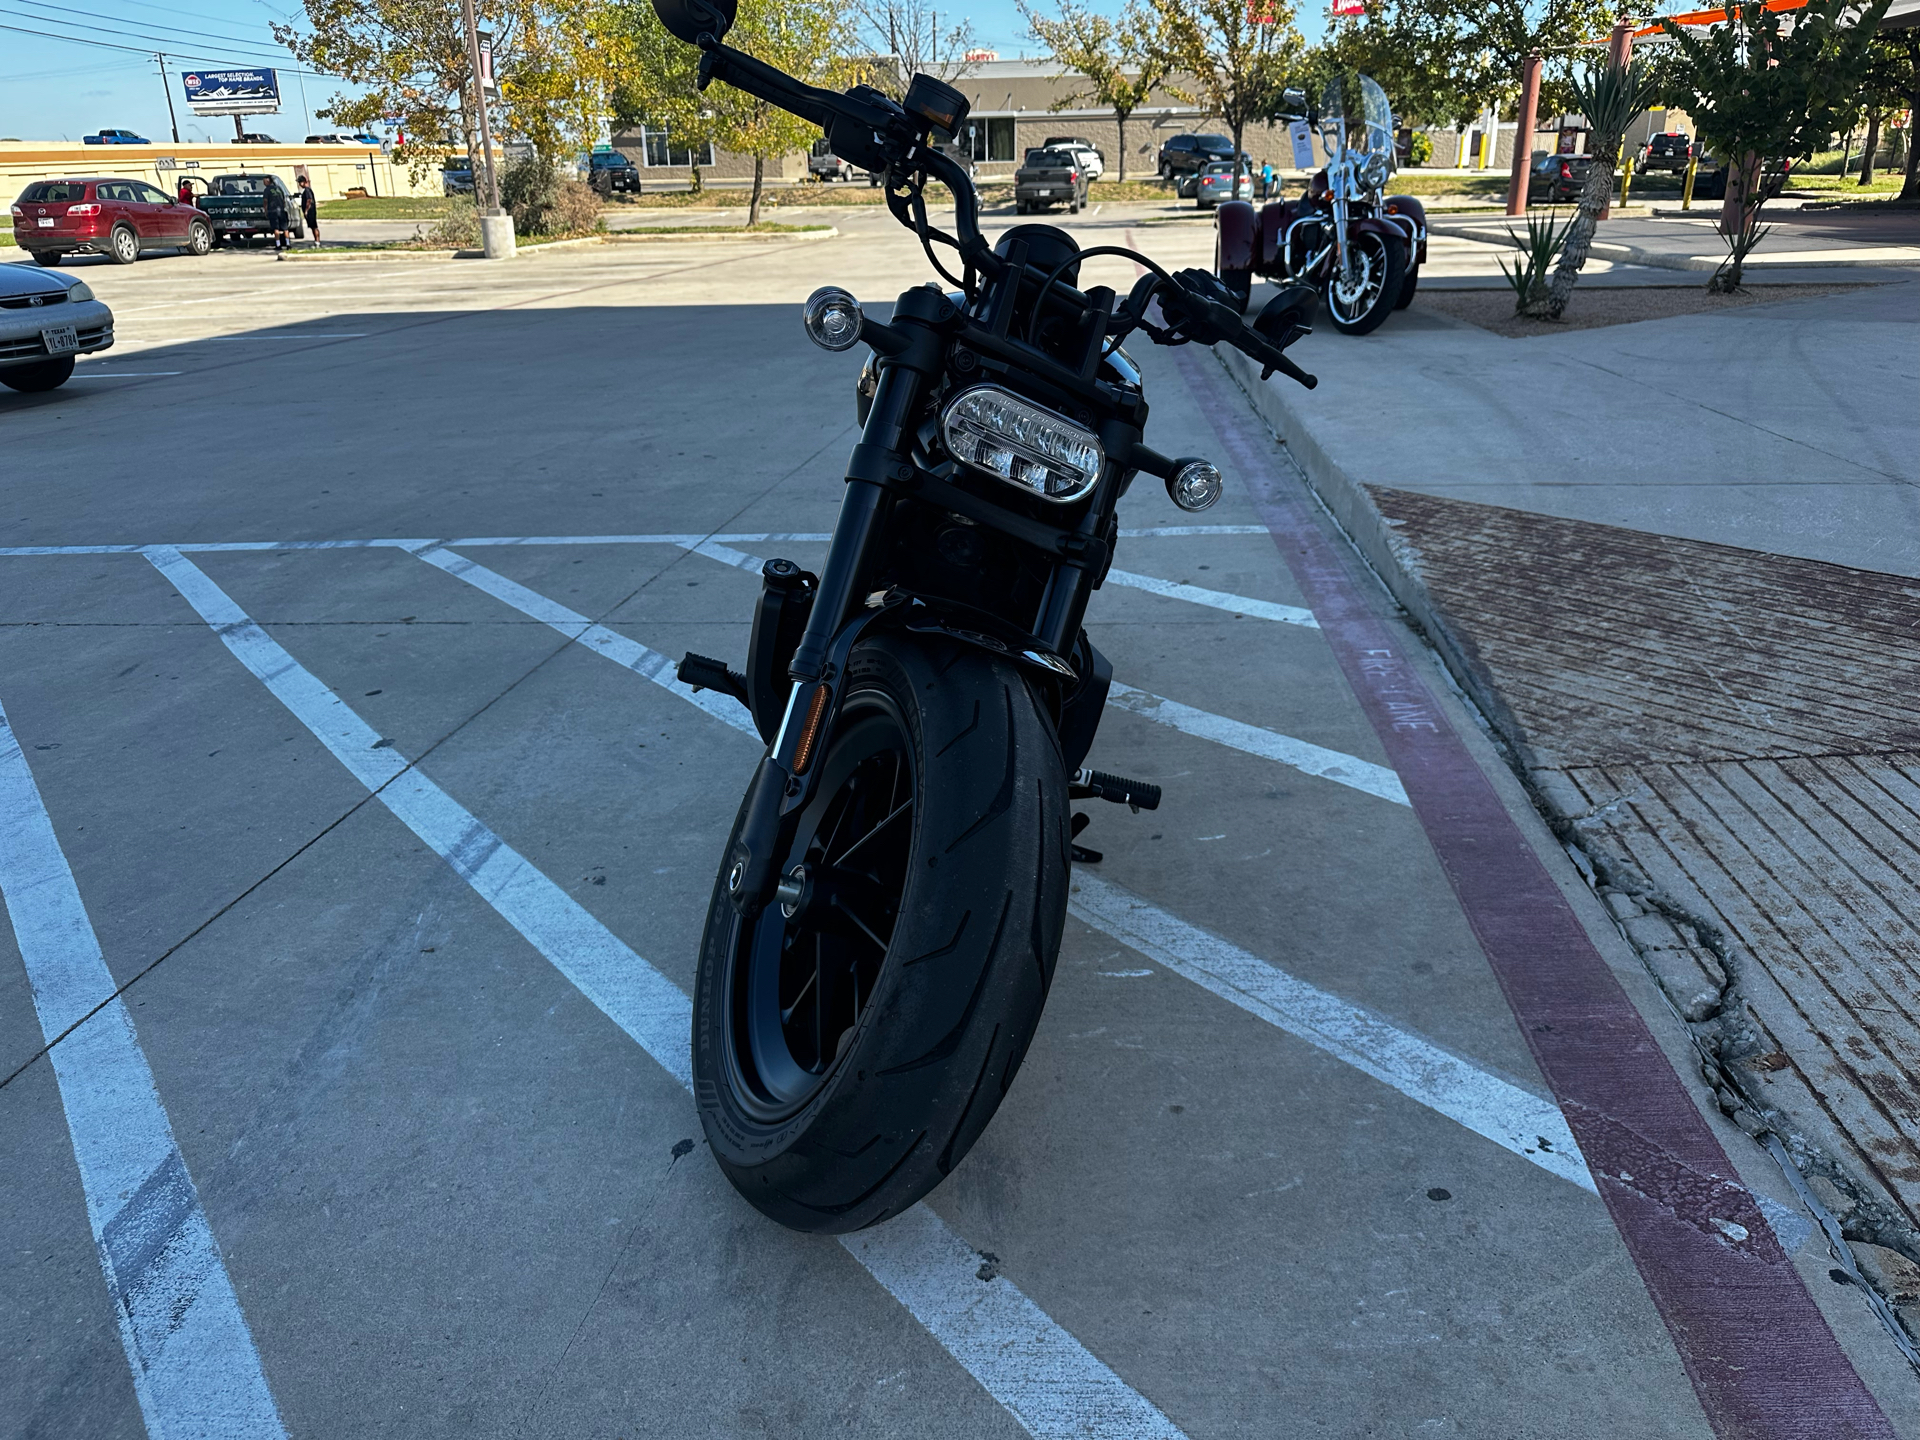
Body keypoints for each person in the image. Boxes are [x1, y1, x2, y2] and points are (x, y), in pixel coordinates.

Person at [263, 176, 290, 258]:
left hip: (273, 211)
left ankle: (278, 245)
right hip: (281, 210)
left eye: (264, 181)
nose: (264, 183)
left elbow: (265, 201)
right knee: (285, 228)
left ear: (268, 181)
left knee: (276, 229)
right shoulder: (279, 188)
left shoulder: (267, 190)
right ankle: (288, 244)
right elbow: (284, 199)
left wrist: (266, 210)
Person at [296, 174, 319, 247]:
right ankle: (316, 242)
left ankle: (317, 242)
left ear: (304, 182)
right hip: (310, 211)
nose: (299, 184)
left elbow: (309, 200)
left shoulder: (307, 190)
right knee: (312, 227)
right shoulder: (305, 191)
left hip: (311, 212)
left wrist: (306, 210)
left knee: (314, 227)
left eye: (300, 182)